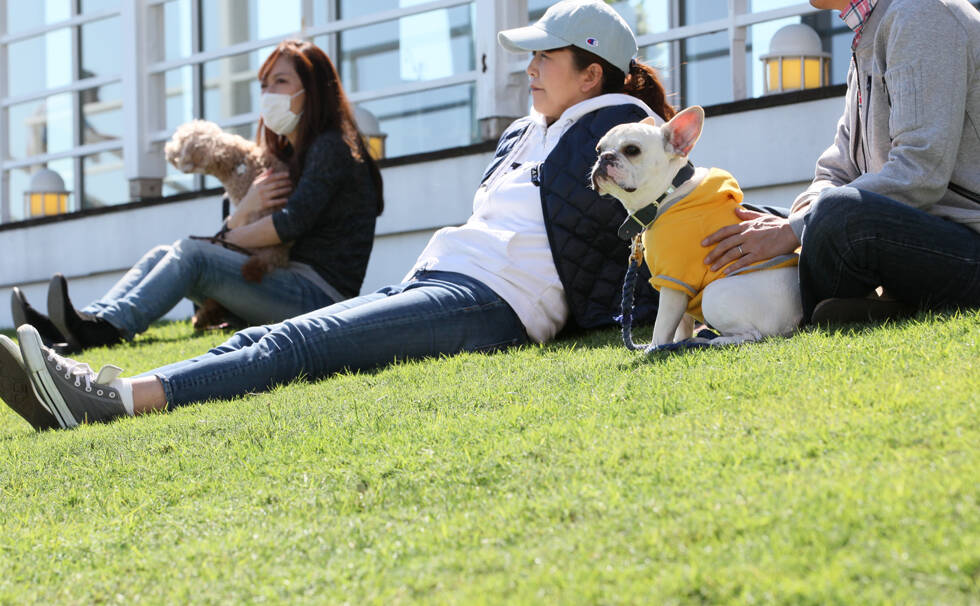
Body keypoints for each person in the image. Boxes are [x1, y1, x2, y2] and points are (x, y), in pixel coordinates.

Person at [1, 0, 671, 430]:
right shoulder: (535, 129)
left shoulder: (617, 125)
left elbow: (679, 195)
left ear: (592, 74)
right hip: (440, 280)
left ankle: (107, 402)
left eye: (545, 56)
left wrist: (764, 239)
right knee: (264, 342)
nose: (528, 68)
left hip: (494, 301)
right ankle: (94, 385)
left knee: (295, 344)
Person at [10, 39, 384, 352]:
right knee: (165, 254)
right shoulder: (288, 154)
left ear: (312, 90)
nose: (268, 94)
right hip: (283, 283)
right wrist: (244, 213)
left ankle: (107, 328)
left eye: (280, 82)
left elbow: (289, 225)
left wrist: (226, 237)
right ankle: (78, 325)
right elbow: (250, 227)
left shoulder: (331, 148)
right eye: (264, 84)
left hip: (318, 299)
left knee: (191, 253)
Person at [701, 0, 980, 323]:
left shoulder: (922, 14)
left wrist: (795, 230)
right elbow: (837, 169)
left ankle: (787, 315)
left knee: (837, 217)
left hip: (967, 244)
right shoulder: (870, 31)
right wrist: (798, 220)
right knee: (735, 221)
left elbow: (919, 171)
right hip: (918, 233)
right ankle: (849, 304)